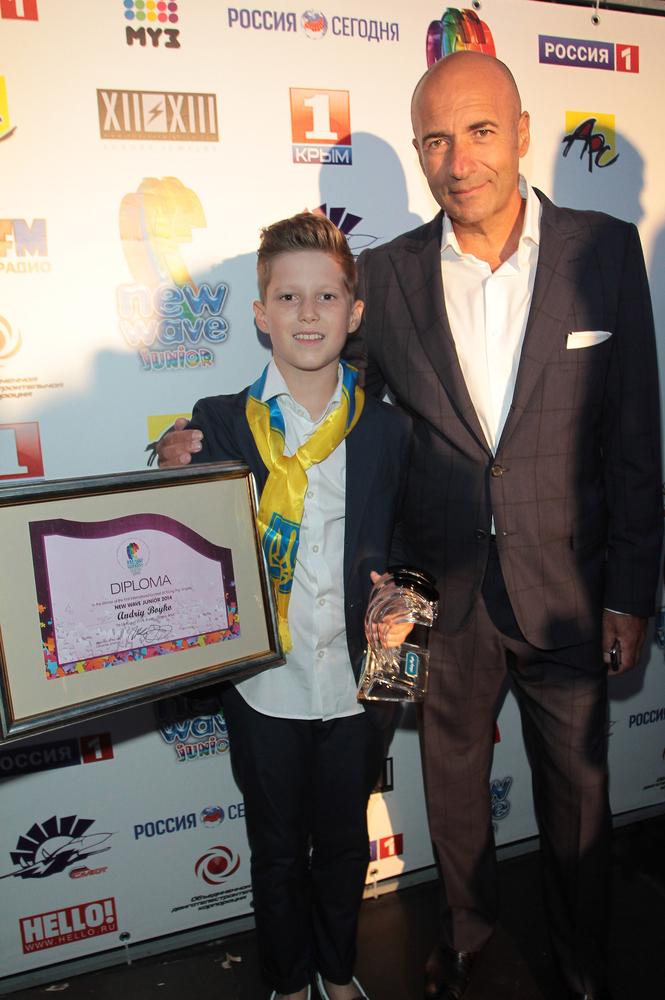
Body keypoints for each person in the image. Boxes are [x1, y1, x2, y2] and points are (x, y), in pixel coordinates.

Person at [156, 52, 663, 1000]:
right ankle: (466, 938)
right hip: (430, 594)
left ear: (521, 131)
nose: (458, 160)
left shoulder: (603, 248)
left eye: (480, 131)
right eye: (435, 139)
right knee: (453, 790)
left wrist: (633, 591)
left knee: (580, 800)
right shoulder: (384, 277)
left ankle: (583, 963)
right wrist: (198, 437)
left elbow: (634, 431)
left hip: (570, 590)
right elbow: (324, 401)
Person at [177, 213, 411, 1000]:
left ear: (355, 312)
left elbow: (409, 542)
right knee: (276, 848)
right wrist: (168, 459)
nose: (307, 313)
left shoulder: (387, 430)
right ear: (260, 313)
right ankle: (286, 981)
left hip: (360, 681)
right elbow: (179, 524)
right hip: (263, 684)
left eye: (326, 296)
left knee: (344, 843)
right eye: (288, 297)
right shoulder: (218, 422)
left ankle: (337, 974)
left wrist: (402, 616)